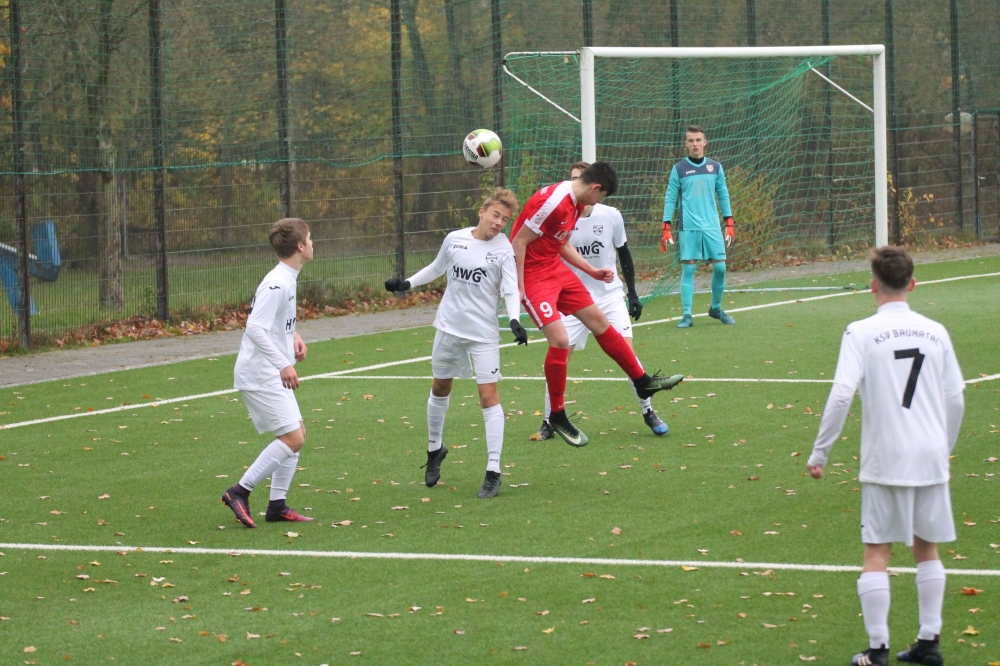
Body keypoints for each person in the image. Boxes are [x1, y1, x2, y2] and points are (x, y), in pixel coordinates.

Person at [806, 246, 965, 666]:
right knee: (927, 547)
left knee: (877, 549)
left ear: (873, 285)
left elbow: (842, 393)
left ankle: (877, 649)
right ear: (912, 284)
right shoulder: (936, 331)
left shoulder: (860, 331)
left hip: (886, 457)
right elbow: (956, 398)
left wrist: (821, 452)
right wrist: (943, 449)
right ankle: (929, 642)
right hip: (930, 456)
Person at [511, 161, 683, 448]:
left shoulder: (577, 203)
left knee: (599, 321)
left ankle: (642, 381)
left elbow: (562, 244)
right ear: (595, 188)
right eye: (601, 196)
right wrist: (518, 286)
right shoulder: (553, 202)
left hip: (554, 267)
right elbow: (518, 242)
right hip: (532, 275)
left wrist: (591, 271)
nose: (598, 203)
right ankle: (556, 416)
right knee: (560, 340)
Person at [384, 188, 527, 499]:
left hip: (483, 334)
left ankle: (493, 471)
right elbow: (437, 268)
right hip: (448, 328)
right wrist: (407, 283)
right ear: (482, 212)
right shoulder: (455, 239)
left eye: (505, 219)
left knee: (488, 397)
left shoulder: (503, 249)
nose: (499, 222)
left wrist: (515, 320)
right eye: (496, 215)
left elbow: (510, 289)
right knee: (440, 387)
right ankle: (434, 449)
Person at [222, 218, 315, 528]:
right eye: (310, 239)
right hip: (260, 374)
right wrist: (283, 364)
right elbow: (255, 328)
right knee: (293, 438)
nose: (313, 244)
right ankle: (239, 491)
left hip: (268, 371)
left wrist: (293, 336)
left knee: (296, 433)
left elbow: (275, 323)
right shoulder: (277, 283)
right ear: (300, 246)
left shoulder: (288, 277)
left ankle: (277, 506)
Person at [661, 125, 736, 328]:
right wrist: (666, 226)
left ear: (705, 142)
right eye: (691, 140)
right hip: (689, 227)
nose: (695, 144)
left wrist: (729, 222)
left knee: (720, 268)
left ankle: (716, 308)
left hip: (712, 226)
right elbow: (670, 198)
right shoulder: (679, 169)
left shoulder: (715, 167)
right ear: (686, 144)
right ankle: (687, 315)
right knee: (689, 269)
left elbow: (723, 194)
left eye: (698, 140)